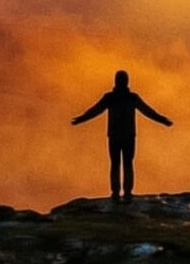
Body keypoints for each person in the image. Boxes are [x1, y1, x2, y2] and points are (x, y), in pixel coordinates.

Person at [71, 69, 171, 198]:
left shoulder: (111, 97)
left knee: (116, 163)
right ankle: (126, 192)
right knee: (127, 163)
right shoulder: (131, 97)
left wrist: (81, 119)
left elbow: (96, 110)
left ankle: (116, 192)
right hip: (128, 136)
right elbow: (147, 111)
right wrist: (161, 119)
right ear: (126, 81)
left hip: (115, 135)